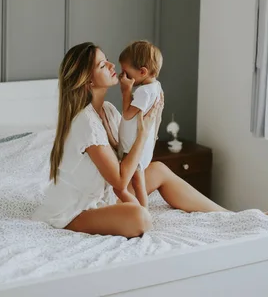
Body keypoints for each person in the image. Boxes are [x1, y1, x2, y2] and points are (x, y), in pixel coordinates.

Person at [32, 42, 226, 238]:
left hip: (105, 195)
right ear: (88, 81)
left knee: (159, 170)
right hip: (75, 210)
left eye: (107, 60)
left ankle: (230, 216)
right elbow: (121, 179)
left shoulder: (107, 110)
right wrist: (143, 132)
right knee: (140, 218)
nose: (111, 65)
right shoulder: (85, 122)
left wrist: (153, 120)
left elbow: (131, 151)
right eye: (102, 65)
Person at [116, 40, 163, 208]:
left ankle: (142, 211)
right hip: (138, 145)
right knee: (137, 182)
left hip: (134, 146)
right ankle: (140, 209)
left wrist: (126, 91)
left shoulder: (143, 91)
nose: (123, 76)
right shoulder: (155, 86)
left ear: (142, 71)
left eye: (126, 72)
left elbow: (128, 114)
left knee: (137, 183)